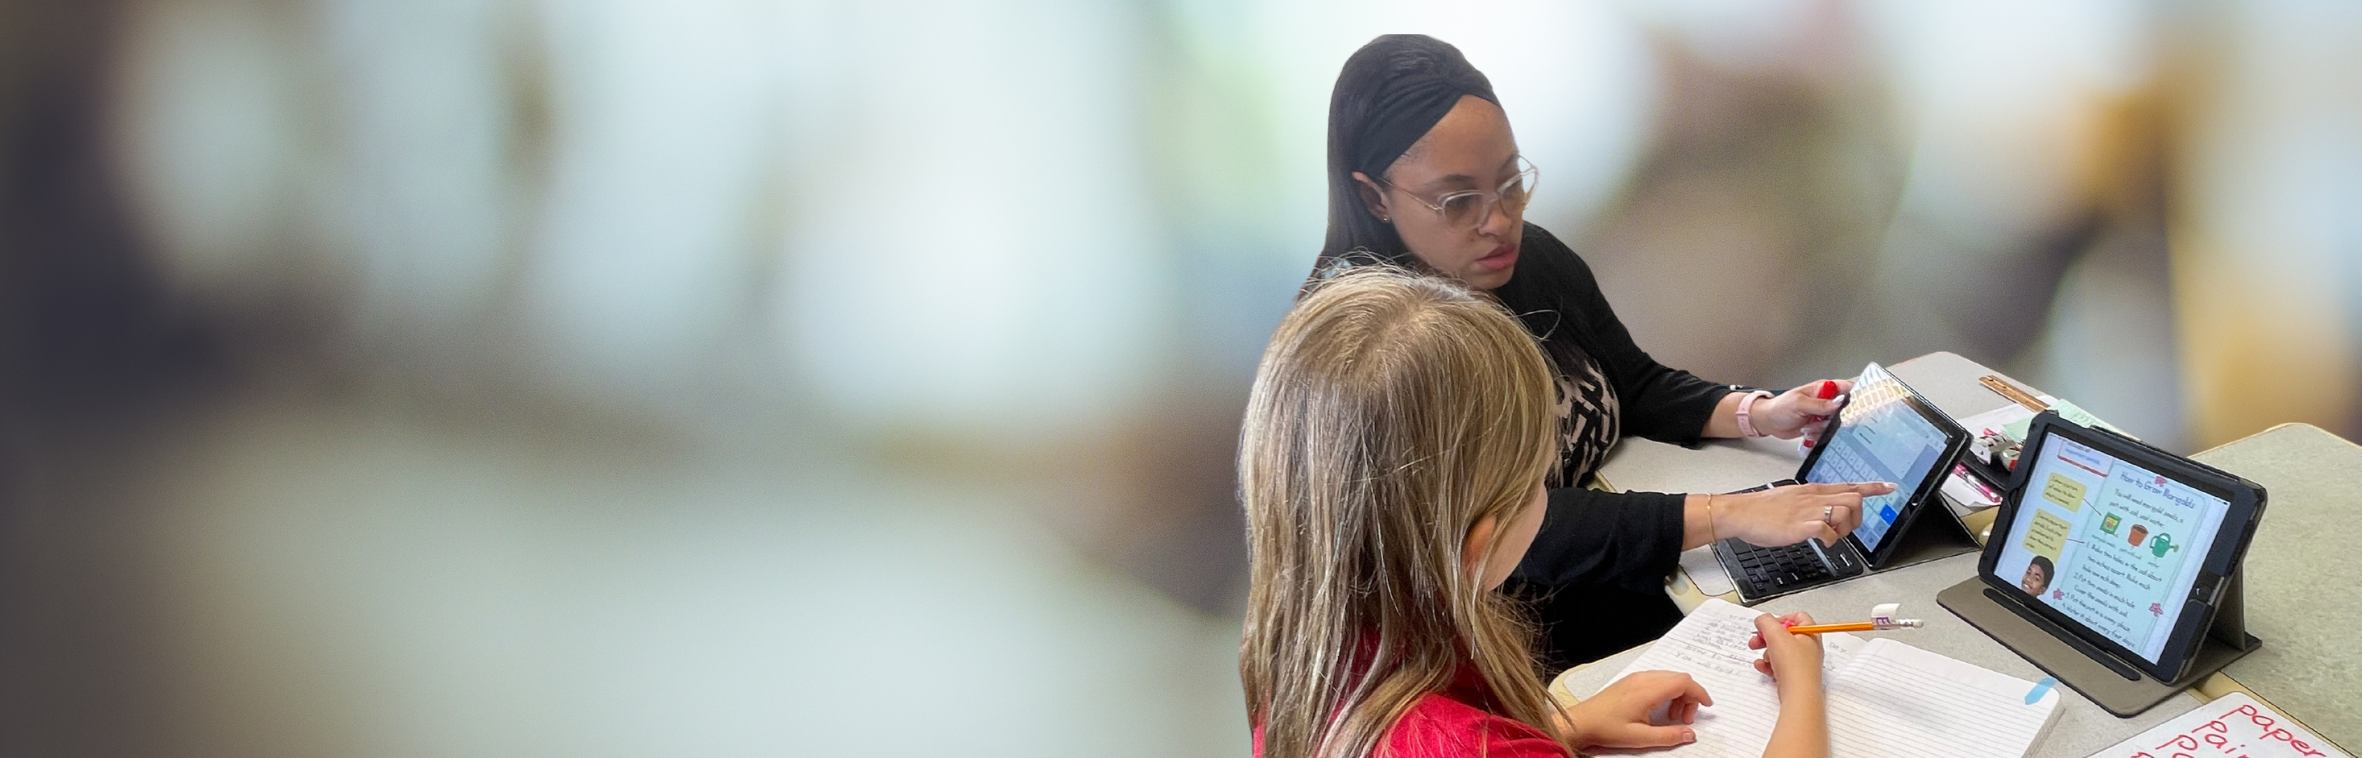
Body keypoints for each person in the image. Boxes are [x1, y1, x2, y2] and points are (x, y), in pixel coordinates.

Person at [1311, 34, 1895, 668]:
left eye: (1510, 183)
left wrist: (1756, 412)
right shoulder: (1376, 350)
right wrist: (1729, 515)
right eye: (1458, 202)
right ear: (1374, 197)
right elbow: (1515, 530)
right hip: (1509, 644)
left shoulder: (1526, 259)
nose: (1499, 221)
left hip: (1613, 574)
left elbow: (1632, 382)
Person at [1239, 267, 1830, 758]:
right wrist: (1804, 691)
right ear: (1479, 545)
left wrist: (1559, 730)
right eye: (1538, 480)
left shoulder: (1298, 652)